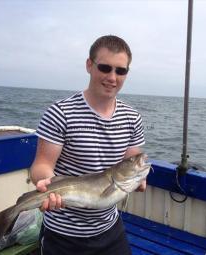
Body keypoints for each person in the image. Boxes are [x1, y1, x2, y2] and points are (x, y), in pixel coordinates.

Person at [30, 35, 146, 255]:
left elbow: (130, 163)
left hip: (109, 228)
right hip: (63, 234)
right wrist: (46, 183)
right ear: (89, 65)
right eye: (105, 68)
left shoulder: (132, 118)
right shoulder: (60, 113)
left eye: (120, 71)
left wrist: (139, 178)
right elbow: (41, 166)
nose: (112, 77)